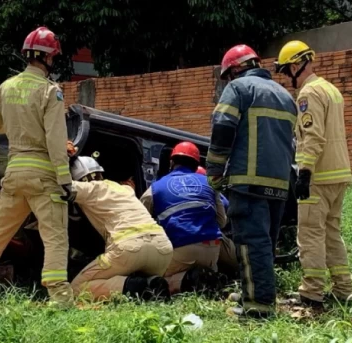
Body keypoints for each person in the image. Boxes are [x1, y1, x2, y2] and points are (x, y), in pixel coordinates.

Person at [0, 27, 75, 308]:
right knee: (56, 239)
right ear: (49, 58)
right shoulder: (50, 92)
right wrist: (66, 180)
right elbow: (55, 138)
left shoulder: (6, 87)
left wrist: (15, 122)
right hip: (44, 178)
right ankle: (60, 301)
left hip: (13, 176)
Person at [206, 44, 297, 318]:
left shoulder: (238, 90)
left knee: (249, 243)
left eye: (228, 76)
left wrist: (214, 171)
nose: (228, 81)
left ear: (235, 69)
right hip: (280, 184)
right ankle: (254, 292)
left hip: (248, 182)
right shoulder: (285, 95)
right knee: (265, 244)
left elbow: (222, 130)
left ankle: (258, 307)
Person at [275, 40, 352, 309]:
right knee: (332, 233)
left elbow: (313, 137)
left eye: (287, 72)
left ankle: (312, 292)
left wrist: (304, 173)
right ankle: (344, 288)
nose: (288, 79)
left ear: (297, 65)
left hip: (318, 177)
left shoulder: (309, 94)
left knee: (309, 234)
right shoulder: (331, 90)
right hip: (339, 174)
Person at [68, 155, 174, 301]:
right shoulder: (124, 189)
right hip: (162, 249)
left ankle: (138, 287)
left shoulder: (91, 188)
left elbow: (63, 187)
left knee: (77, 288)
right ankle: (151, 284)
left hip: (129, 248)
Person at [139, 141, 228, 295]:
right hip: (212, 249)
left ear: (172, 162)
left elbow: (140, 223)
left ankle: (185, 281)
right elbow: (222, 221)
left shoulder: (155, 187)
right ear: (196, 164)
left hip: (181, 249)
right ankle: (210, 278)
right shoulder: (210, 183)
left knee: (153, 278)